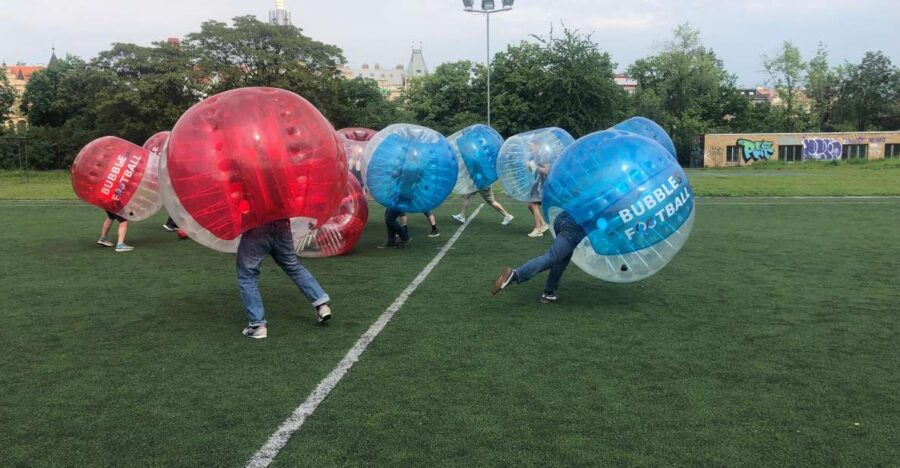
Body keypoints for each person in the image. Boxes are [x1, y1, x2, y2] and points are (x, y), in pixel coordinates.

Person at [237, 219, 332, 339]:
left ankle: (257, 326)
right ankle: (321, 304)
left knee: (247, 276)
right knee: (293, 266)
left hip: (255, 227)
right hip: (281, 225)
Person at [491, 210, 586, 303]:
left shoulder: (592, 194)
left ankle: (549, 293)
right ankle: (515, 275)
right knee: (552, 257)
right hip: (575, 226)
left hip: (562, 217)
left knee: (562, 257)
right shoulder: (600, 200)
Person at [526, 160, 551, 237]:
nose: (530, 147)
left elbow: (546, 171)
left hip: (542, 185)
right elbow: (534, 171)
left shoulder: (543, 155)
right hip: (538, 183)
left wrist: (534, 165)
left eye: (531, 146)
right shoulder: (535, 156)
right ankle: (543, 224)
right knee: (530, 205)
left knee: (534, 204)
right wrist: (530, 166)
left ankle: (538, 229)